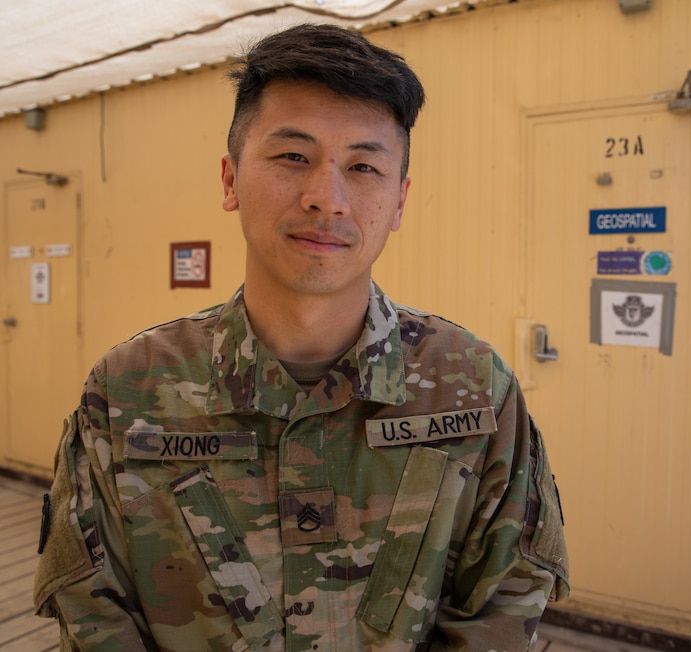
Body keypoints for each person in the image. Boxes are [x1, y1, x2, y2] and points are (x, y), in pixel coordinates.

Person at [34, 23, 568, 651]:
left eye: (364, 166)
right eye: (293, 156)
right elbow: (93, 615)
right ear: (231, 180)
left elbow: (506, 604)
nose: (327, 197)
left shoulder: (476, 390)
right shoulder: (127, 391)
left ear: (399, 202)